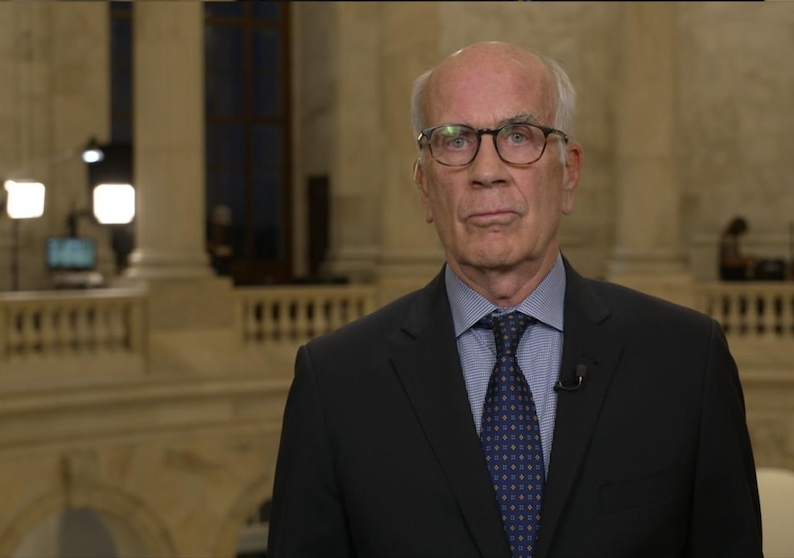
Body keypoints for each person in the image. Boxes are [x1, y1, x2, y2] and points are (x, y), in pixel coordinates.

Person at [268, 41, 762, 558]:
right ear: (424, 186)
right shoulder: (335, 383)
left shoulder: (688, 360)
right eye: (455, 141)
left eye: (519, 136)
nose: (487, 171)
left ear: (568, 174)